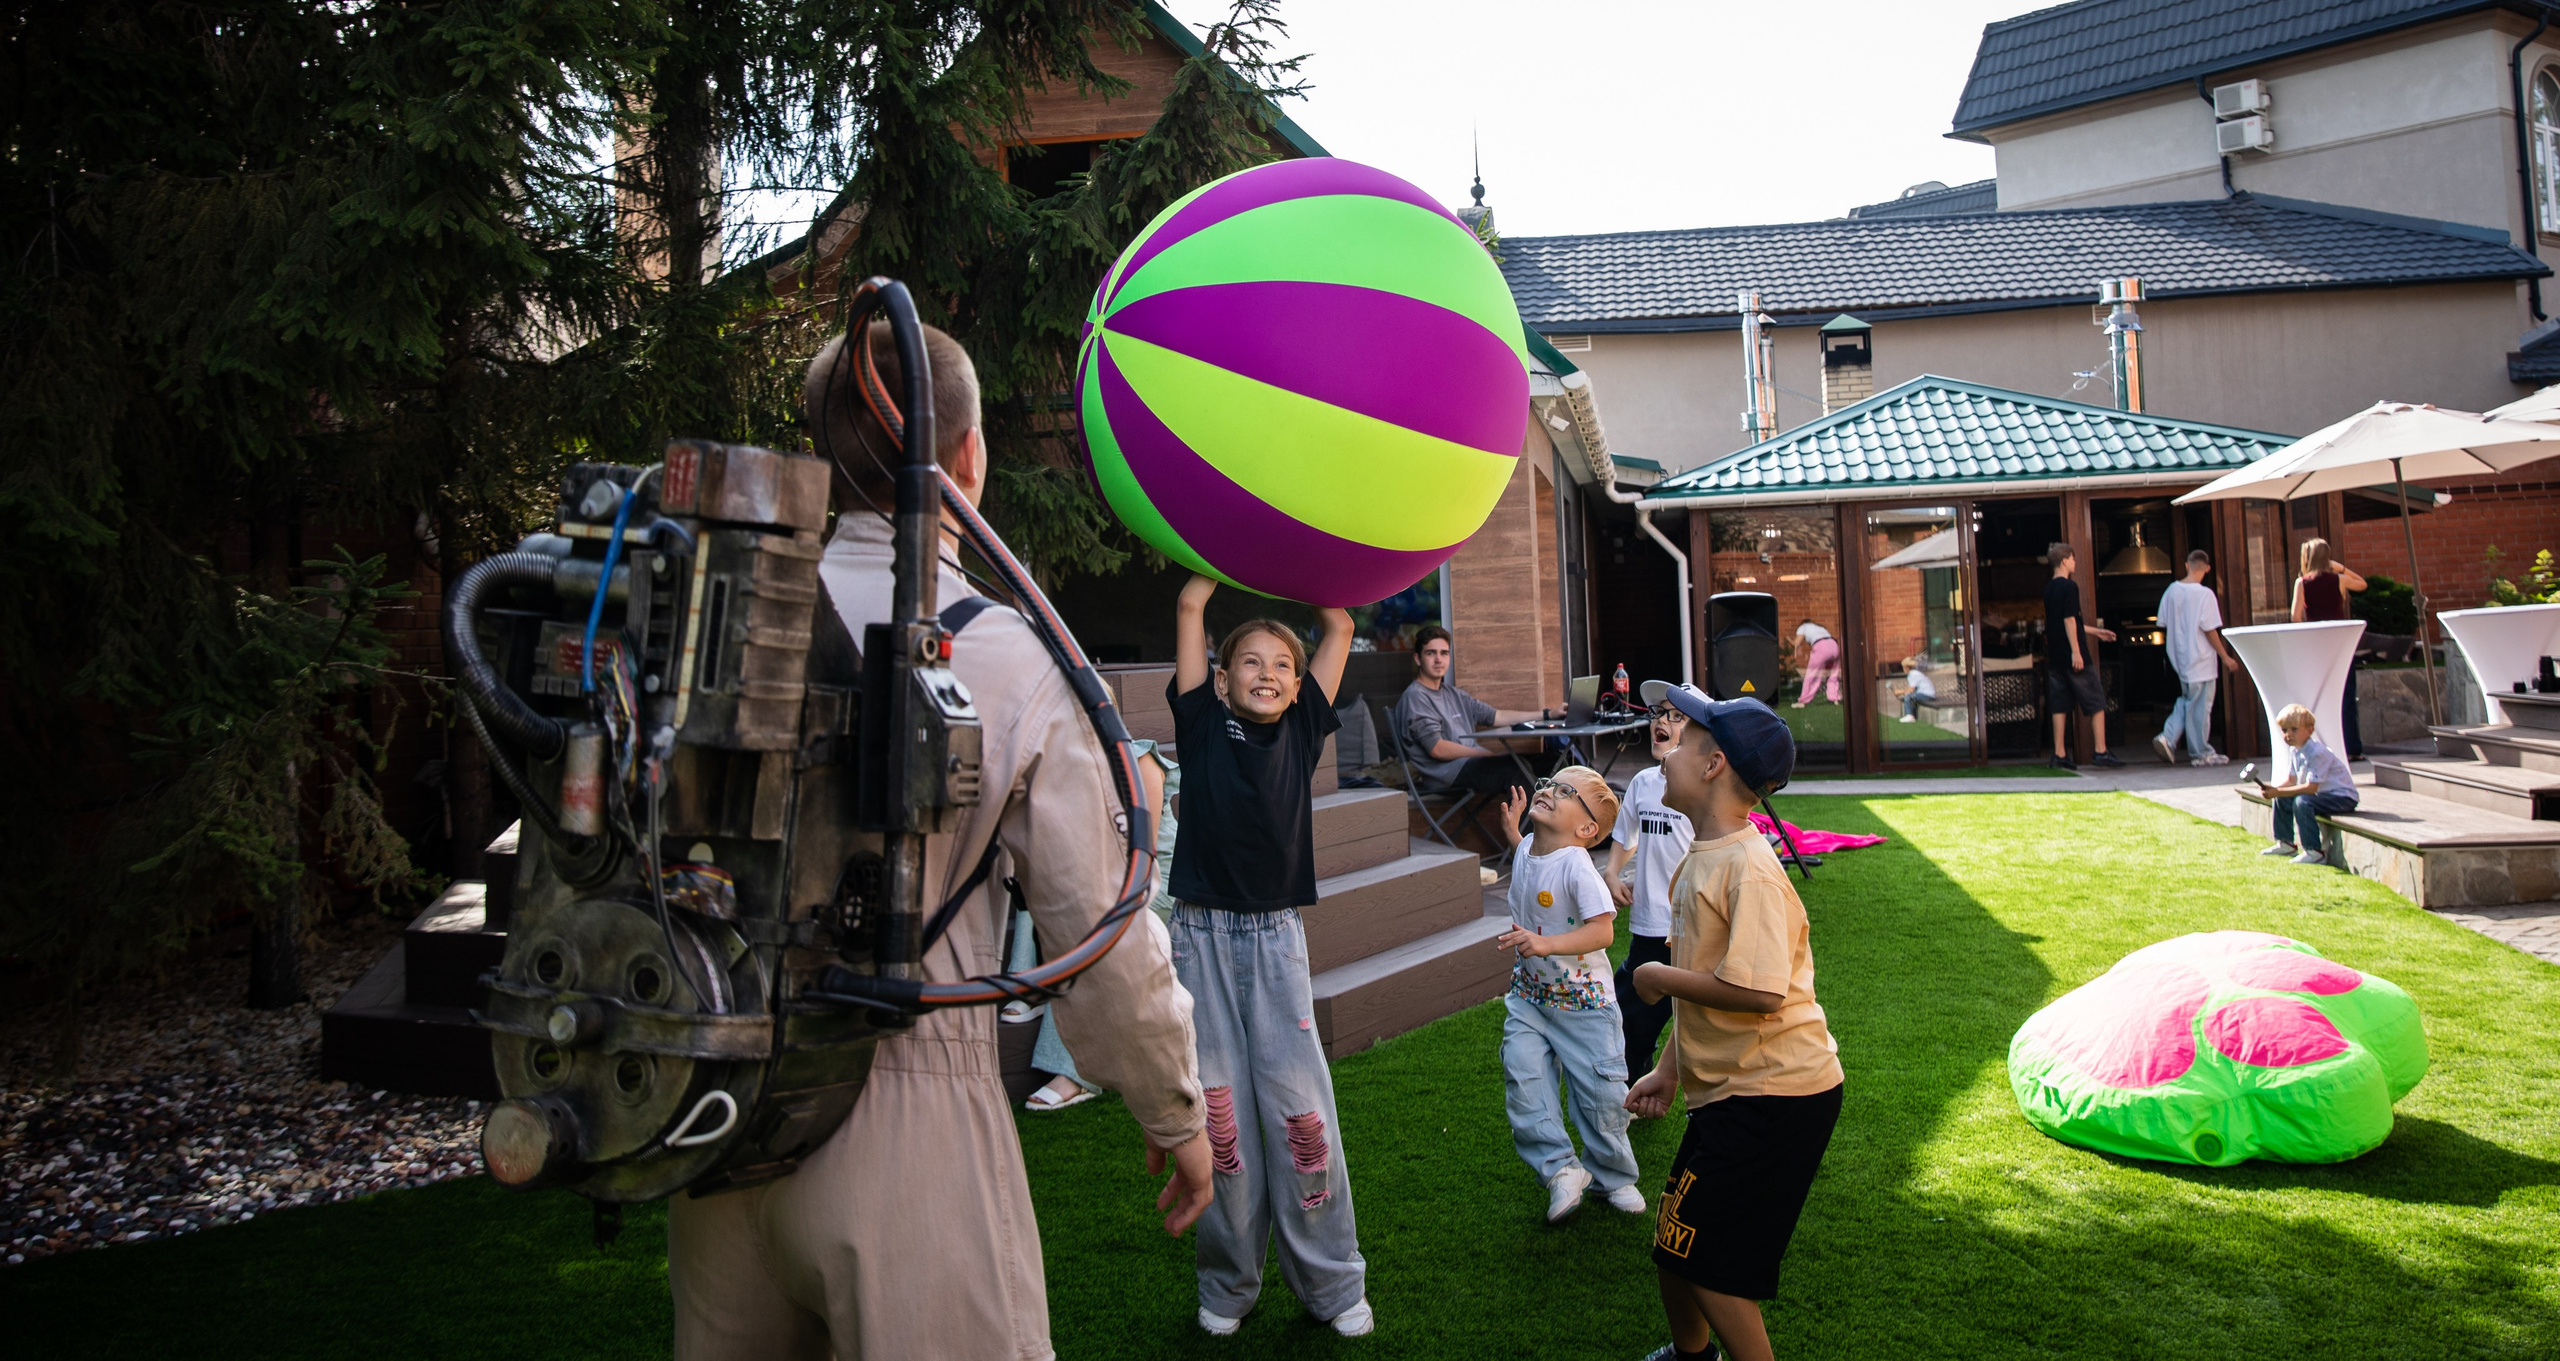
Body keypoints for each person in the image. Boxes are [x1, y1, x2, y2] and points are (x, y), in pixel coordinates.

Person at [667, 322, 1214, 1361]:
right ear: (967, 458)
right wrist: (1173, 1109)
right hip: (904, 1111)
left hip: (720, 1122)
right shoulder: (1012, 656)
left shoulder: (721, 627)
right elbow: (1099, 935)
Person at [1168, 576, 1374, 1339]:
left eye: (1282, 665)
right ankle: (1228, 1281)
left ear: (1298, 687)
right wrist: (1219, 552)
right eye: (1248, 662)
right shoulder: (1200, 723)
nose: (1267, 673)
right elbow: (1192, 605)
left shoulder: (1302, 727)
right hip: (1202, 938)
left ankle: (1331, 1280)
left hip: (1275, 937)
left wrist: (1290, 552)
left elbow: (1339, 621)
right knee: (1219, 1113)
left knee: (1300, 1111)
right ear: (1220, 681)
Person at [1625, 688, 1842, 1361]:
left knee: (1713, 1267)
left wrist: (1658, 979)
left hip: (1778, 1096)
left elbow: (1756, 989)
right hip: (1731, 1091)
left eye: (1682, 737)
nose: (1666, 744)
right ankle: (1693, 1355)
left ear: (1713, 763)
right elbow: (1710, 980)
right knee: (1674, 1240)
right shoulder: (1704, 852)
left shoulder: (1750, 869)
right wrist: (1667, 1069)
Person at [1491, 765, 1643, 1223]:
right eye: (1548, 784)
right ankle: (1560, 1169)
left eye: (1565, 792)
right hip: (1531, 997)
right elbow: (1530, 859)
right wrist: (1512, 833)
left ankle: (1614, 1176)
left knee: (1600, 1096)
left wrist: (1547, 944)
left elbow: (1603, 932)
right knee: (1524, 1079)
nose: (1549, 792)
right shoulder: (1531, 851)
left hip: (1583, 1005)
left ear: (1586, 829)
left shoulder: (1579, 866)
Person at [1010, 739, 1178, 1112]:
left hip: (1156, 880)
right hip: (1102, 879)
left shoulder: (1140, 760)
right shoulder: (1064, 770)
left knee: (1094, 929)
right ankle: (1029, 987)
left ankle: (1077, 1074)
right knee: (1037, 879)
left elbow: (1142, 855)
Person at [1607, 681, 1694, 1082]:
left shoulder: (1700, 788)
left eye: (1674, 715)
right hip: (1648, 922)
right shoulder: (1643, 783)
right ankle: (1637, 1074)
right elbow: (1627, 836)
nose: (1660, 721)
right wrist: (1610, 872)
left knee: (1682, 1013)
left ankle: (1648, 1075)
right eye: (1657, 713)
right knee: (1633, 1014)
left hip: (1688, 926)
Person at [2153, 550, 2238, 767]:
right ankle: (2200, 752)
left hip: (2180, 658)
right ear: (2207, 568)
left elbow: (2162, 623)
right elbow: (2209, 629)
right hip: (2201, 658)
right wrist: (2225, 656)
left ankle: (2169, 737)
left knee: (2188, 701)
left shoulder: (2171, 591)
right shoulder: (2205, 595)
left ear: (2187, 565)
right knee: (2201, 707)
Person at [2044, 542, 2124, 769]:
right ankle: (2100, 750)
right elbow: (2070, 620)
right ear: (2065, 560)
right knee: (2097, 701)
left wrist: (2096, 632)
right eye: (2073, 558)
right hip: (2073, 654)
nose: (2075, 562)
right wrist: (2077, 652)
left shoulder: (2049, 588)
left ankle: (2059, 754)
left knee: (2059, 705)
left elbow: (2067, 622)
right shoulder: (2069, 587)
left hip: (2056, 655)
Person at [2292, 537, 2369, 761]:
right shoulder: (2340, 580)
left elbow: (2295, 616)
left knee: (2318, 695)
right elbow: (2362, 584)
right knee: (2346, 696)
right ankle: (2352, 748)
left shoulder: (2302, 583)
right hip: (2340, 644)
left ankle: (2322, 746)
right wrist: (2341, 567)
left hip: (2317, 645)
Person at [2257, 703, 2358, 866]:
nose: (2288, 734)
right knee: (2283, 798)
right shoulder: (2295, 750)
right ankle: (2286, 844)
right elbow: (2291, 781)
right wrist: (2275, 790)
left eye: (2294, 729)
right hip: (2323, 796)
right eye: (2284, 730)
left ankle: (2314, 851)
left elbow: (2312, 788)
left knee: (2302, 801)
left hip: (2342, 797)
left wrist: (2279, 791)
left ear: (2310, 730)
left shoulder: (2317, 752)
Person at [1791, 620, 1841, 707]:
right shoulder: (1819, 627)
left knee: (1812, 675)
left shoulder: (1803, 627)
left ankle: (1803, 701)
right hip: (1834, 645)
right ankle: (1835, 699)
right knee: (1833, 674)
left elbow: (1796, 643)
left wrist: (1789, 640)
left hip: (1821, 646)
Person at [1892, 655, 1935, 722]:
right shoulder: (1913, 674)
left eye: (1903, 667)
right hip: (1925, 693)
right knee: (1909, 695)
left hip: (1927, 694)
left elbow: (1911, 689)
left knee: (1908, 696)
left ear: (1906, 667)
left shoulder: (1913, 674)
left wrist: (1899, 692)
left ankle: (1909, 715)